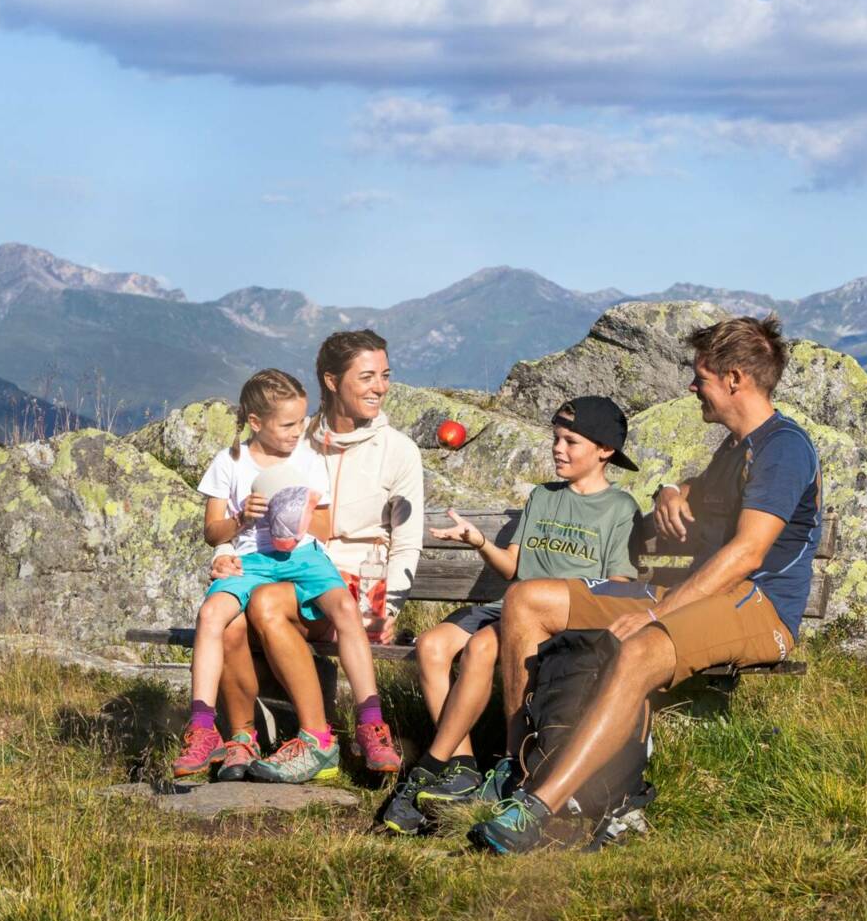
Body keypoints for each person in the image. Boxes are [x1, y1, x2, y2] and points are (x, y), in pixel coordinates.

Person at [469, 315, 822, 854]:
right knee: (526, 600)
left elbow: (747, 553)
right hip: (702, 594)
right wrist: (670, 491)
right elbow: (696, 492)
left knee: (640, 649)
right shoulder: (736, 447)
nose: (691, 386)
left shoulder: (783, 448)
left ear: (734, 379)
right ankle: (520, 769)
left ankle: (539, 807)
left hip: (759, 606)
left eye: (699, 376)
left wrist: (661, 614)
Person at [379, 396, 643, 835]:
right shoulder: (543, 496)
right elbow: (515, 568)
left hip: (552, 621)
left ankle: (438, 769)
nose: (558, 448)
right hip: (507, 607)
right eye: (556, 438)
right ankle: (461, 768)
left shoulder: (619, 508)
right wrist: (479, 539)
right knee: (432, 645)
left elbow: (616, 584)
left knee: (483, 646)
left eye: (570, 441)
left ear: (605, 451)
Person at [207, 330, 423, 783]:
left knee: (265, 604)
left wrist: (392, 607)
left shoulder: (398, 450)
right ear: (330, 380)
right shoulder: (295, 438)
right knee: (231, 620)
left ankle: (315, 739)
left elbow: (407, 539)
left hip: (358, 584)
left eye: (385, 376)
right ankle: (240, 739)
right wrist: (225, 550)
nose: (379, 387)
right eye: (366, 377)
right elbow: (244, 504)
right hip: (292, 572)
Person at [170, 369, 382, 780]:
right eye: (287, 424)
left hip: (301, 556)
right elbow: (212, 530)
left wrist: (294, 516)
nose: (296, 431)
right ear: (255, 422)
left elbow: (322, 527)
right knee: (213, 615)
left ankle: (371, 720)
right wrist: (238, 521)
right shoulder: (229, 462)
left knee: (344, 606)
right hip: (250, 562)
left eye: (301, 421)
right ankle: (202, 727)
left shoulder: (308, 458)